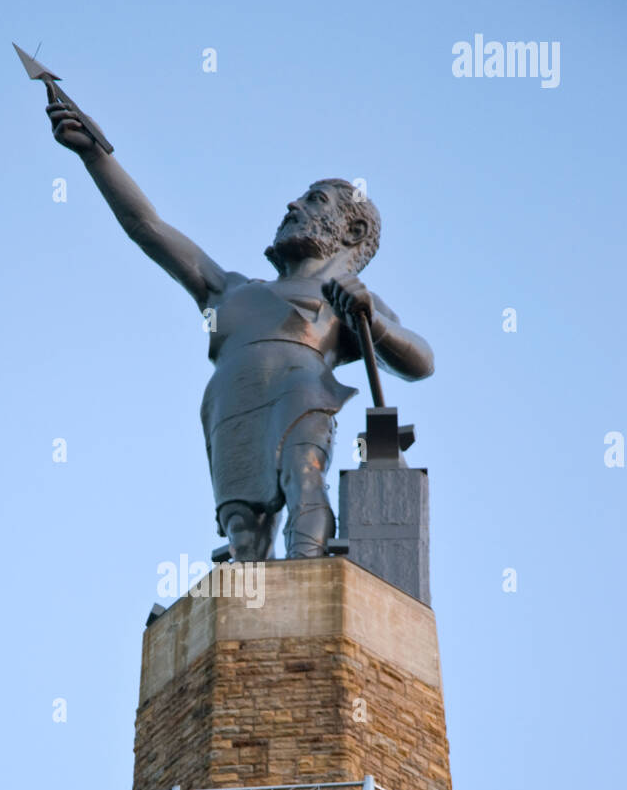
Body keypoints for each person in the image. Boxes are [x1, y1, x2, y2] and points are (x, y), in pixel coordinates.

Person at [48, 104, 434, 559]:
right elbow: (146, 227)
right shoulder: (228, 289)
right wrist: (97, 157)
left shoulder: (341, 295)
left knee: (305, 485)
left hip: (302, 394)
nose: (294, 205)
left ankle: (312, 585)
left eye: (315, 200)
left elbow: (421, 361)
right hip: (232, 407)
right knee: (243, 532)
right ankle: (251, 616)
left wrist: (372, 318)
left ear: (353, 229)